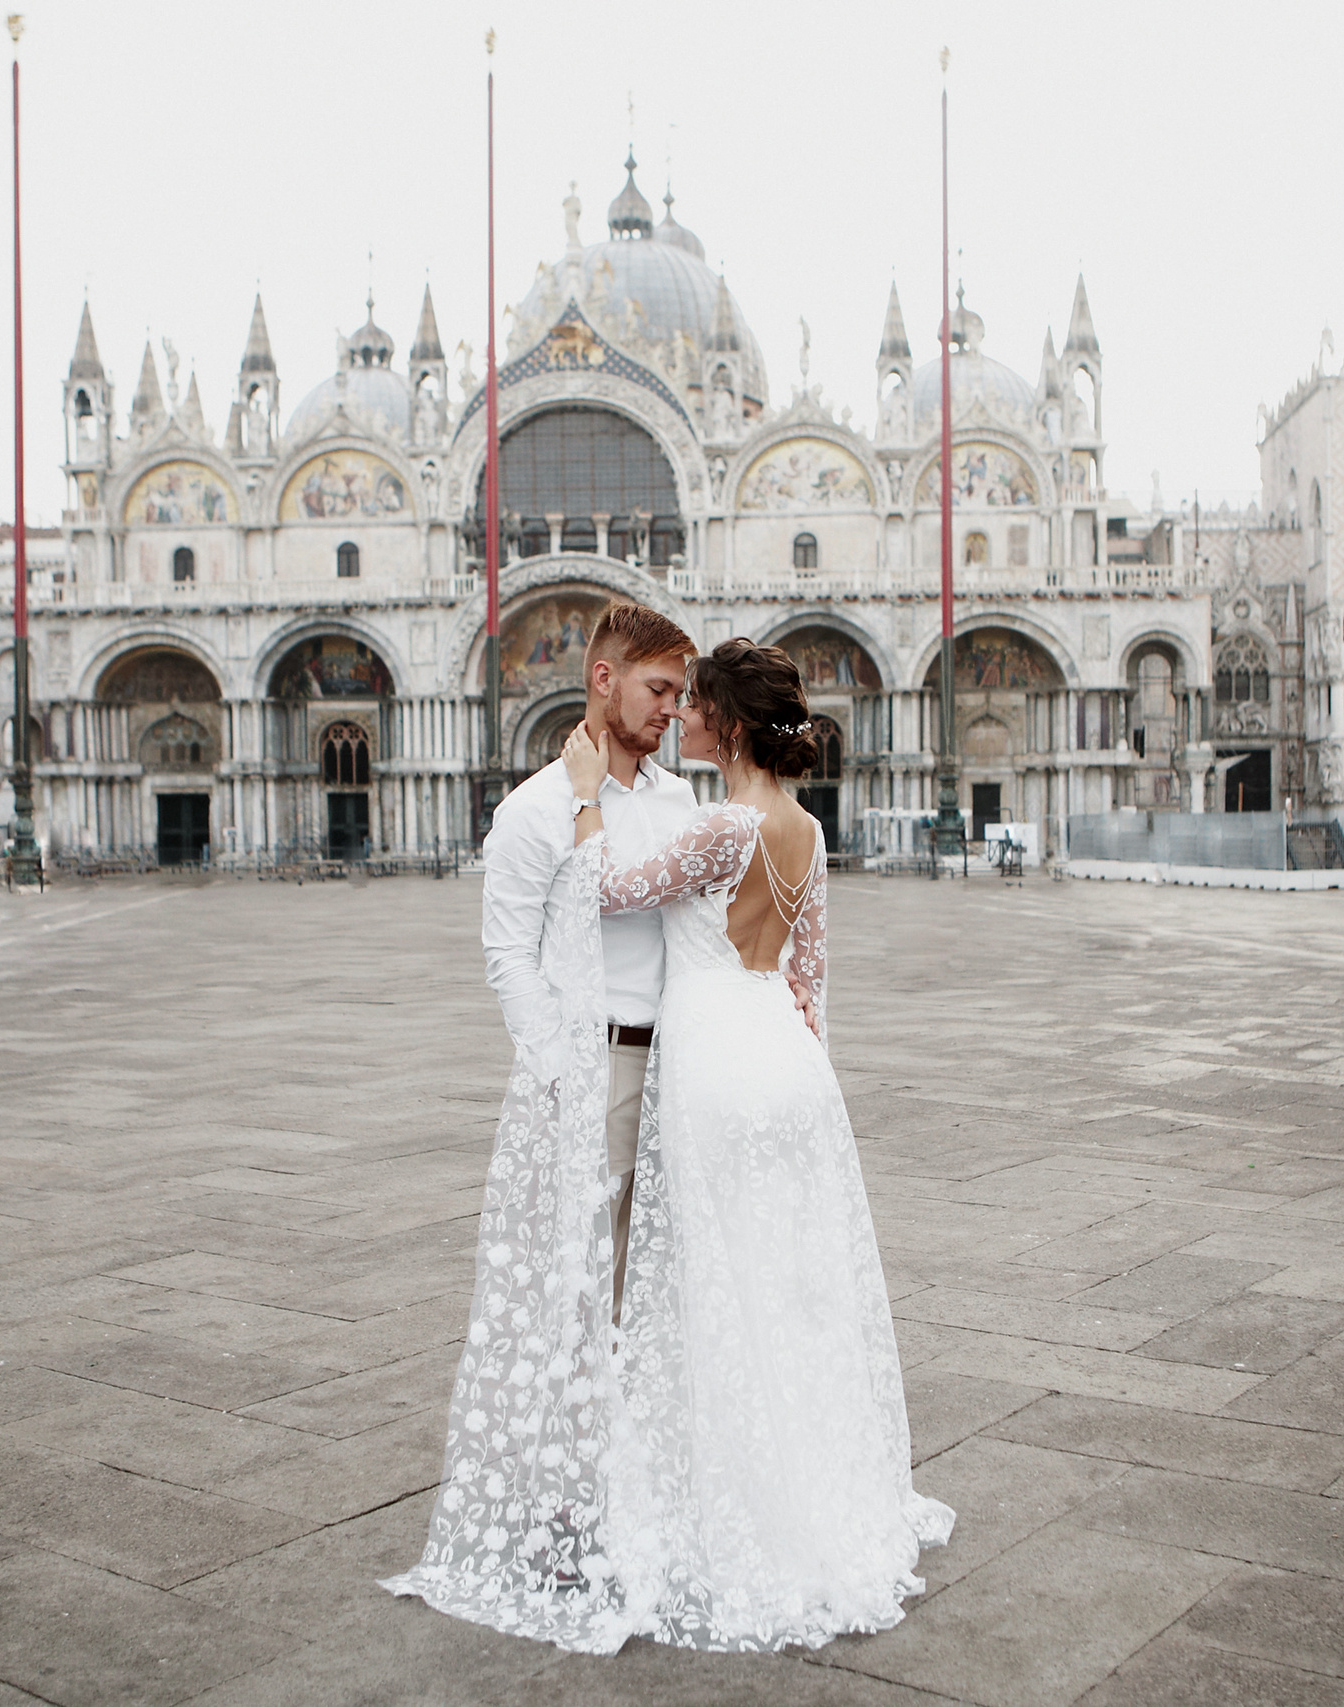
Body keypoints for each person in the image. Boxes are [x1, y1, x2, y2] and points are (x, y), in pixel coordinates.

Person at [559, 637, 952, 1652]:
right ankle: (814, 1486)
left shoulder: (722, 825)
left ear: (727, 725)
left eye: (693, 708)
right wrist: (797, 1065)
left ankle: (735, 1505)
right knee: (787, 1285)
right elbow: (808, 977)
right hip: (786, 1061)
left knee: (715, 1285)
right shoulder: (805, 831)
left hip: (718, 1065)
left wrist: (586, 790)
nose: (679, 718)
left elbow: (606, 884)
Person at [381, 603, 698, 1651]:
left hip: (684, 1066)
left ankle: (654, 1488)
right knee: (585, 1289)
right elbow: (506, 952)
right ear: (602, 679)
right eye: (658, 691)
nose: (671, 712)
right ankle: (573, 1502)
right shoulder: (532, 810)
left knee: (666, 1285)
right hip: (599, 1064)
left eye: (681, 695)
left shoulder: (675, 796)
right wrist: (559, 1066)